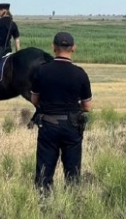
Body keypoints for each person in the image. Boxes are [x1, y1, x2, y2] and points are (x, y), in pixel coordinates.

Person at [30, 32, 92, 195]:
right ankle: (72, 205)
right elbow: (87, 106)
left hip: (48, 125)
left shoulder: (41, 71)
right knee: (73, 172)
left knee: (44, 172)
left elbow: (34, 100)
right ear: (73, 48)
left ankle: (44, 205)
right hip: (72, 126)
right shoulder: (80, 74)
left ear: (53, 48)